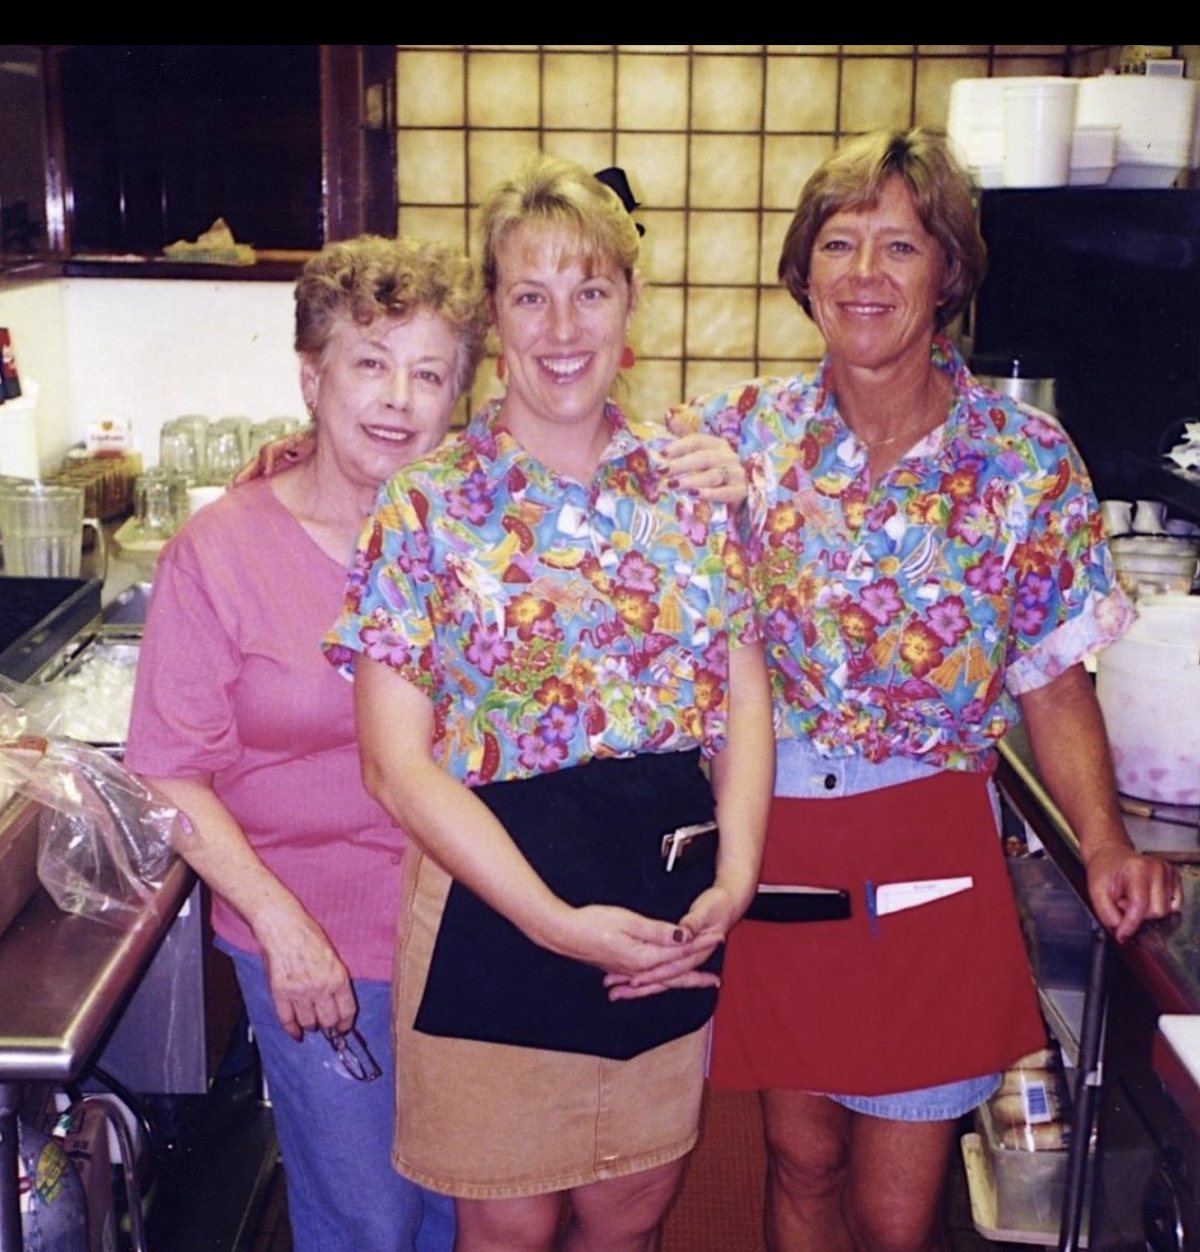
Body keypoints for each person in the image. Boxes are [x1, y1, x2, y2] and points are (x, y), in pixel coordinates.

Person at [676, 129, 1182, 1252]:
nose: (864, 273)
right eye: (840, 242)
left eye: (899, 246)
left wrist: (1102, 842)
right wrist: (337, 469)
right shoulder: (737, 437)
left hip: (928, 843)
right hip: (777, 836)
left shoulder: (1026, 460)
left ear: (948, 271)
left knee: (894, 1209)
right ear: (804, 270)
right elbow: (574, 493)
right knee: (800, 1157)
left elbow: (1052, 677)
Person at [324, 155, 774, 1252]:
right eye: (530, 294)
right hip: (495, 900)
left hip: (661, 898)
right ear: (494, 315)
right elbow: (395, 763)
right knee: (509, 1227)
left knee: (631, 1213)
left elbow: (744, 693)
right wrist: (552, 923)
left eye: (591, 290)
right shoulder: (428, 507)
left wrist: (738, 875)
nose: (562, 325)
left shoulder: (692, 489)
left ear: (630, 305)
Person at [125, 235, 489, 1252]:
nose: (398, 399)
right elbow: (168, 768)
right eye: (370, 362)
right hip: (317, 936)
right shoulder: (222, 552)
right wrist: (282, 926)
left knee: (468, 1212)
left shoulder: (472, 533)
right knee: (367, 1217)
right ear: (311, 376)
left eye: (428, 373)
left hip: (467, 928)